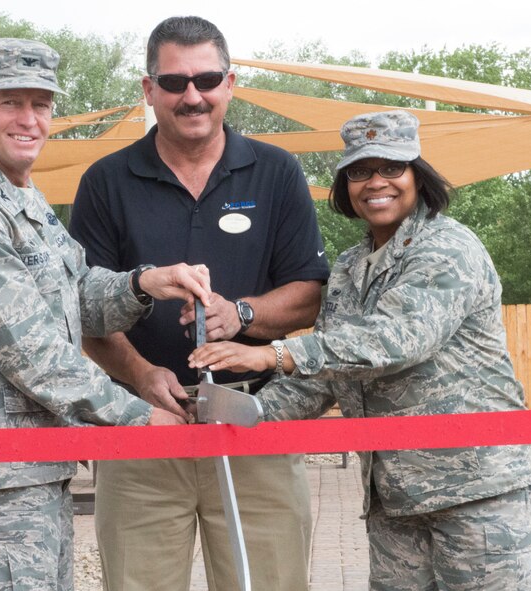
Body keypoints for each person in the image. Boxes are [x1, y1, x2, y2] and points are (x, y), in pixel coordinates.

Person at [190, 110, 531, 590]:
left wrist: (271, 353)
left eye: (391, 167)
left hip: (481, 491)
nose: (376, 182)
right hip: (396, 499)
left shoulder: (447, 247)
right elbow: (324, 376)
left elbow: (398, 339)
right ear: (345, 186)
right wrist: (239, 413)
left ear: (417, 176)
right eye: (359, 171)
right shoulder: (348, 267)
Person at [0, 38, 211, 591]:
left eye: (40, 104)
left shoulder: (20, 197)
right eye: (10, 103)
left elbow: (77, 295)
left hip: (34, 466)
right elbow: (35, 355)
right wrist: (142, 418)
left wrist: (145, 283)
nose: (29, 120)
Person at [68, 16, 330, 591]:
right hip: (144, 427)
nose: (193, 96)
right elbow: (83, 312)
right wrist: (141, 375)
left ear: (230, 84)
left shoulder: (277, 171)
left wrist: (242, 314)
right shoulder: (106, 181)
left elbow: (310, 294)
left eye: (207, 79)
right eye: (174, 82)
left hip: (254, 422)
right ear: (148, 90)